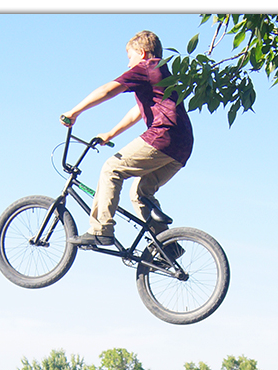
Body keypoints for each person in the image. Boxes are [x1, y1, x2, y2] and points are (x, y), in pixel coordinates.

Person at [60, 30, 193, 248]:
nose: (129, 64)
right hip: (182, 145)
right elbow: (139, 111)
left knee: (111, 168)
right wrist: (111, 133)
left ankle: (101, 230)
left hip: (163, 136)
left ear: (141, 53)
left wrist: (74, 112)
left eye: (129, 57)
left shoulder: (147, 67)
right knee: (140, 194)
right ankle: (167, 246)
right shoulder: (163, 73)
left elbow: (107, 91)